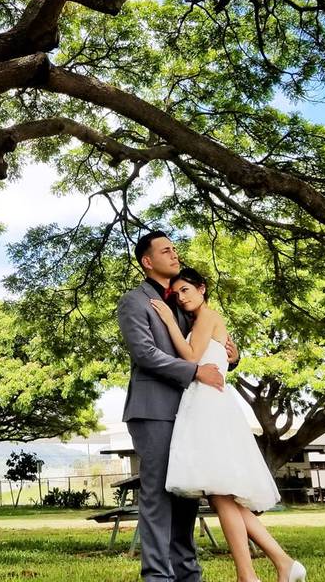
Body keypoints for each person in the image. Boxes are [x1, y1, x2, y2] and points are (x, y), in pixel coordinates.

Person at [150, 266, 306, 582]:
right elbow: (216, 356)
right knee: (223, 496)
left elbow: (192, 358)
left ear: (202, 289)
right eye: (176, 293)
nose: (180, 298)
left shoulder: (207, 316)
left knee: (221, 494)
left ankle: (253, 574)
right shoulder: (201, 321)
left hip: (210, 407)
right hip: (203, 405)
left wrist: (168, 322)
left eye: (186, 290)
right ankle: (277, 564)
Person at [117, 231, 236, 582]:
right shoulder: (133, 301)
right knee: (156, 496)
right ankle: (157, 577)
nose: (174, 253)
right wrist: (196, 371)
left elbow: (206, 346)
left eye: (175, 248)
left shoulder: (185, 300)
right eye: (165, 250)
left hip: (190, 412)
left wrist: (234, 354)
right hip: (152, 409)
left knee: (186, 493)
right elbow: (145, 354)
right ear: (147, 261)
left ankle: (188, 575)